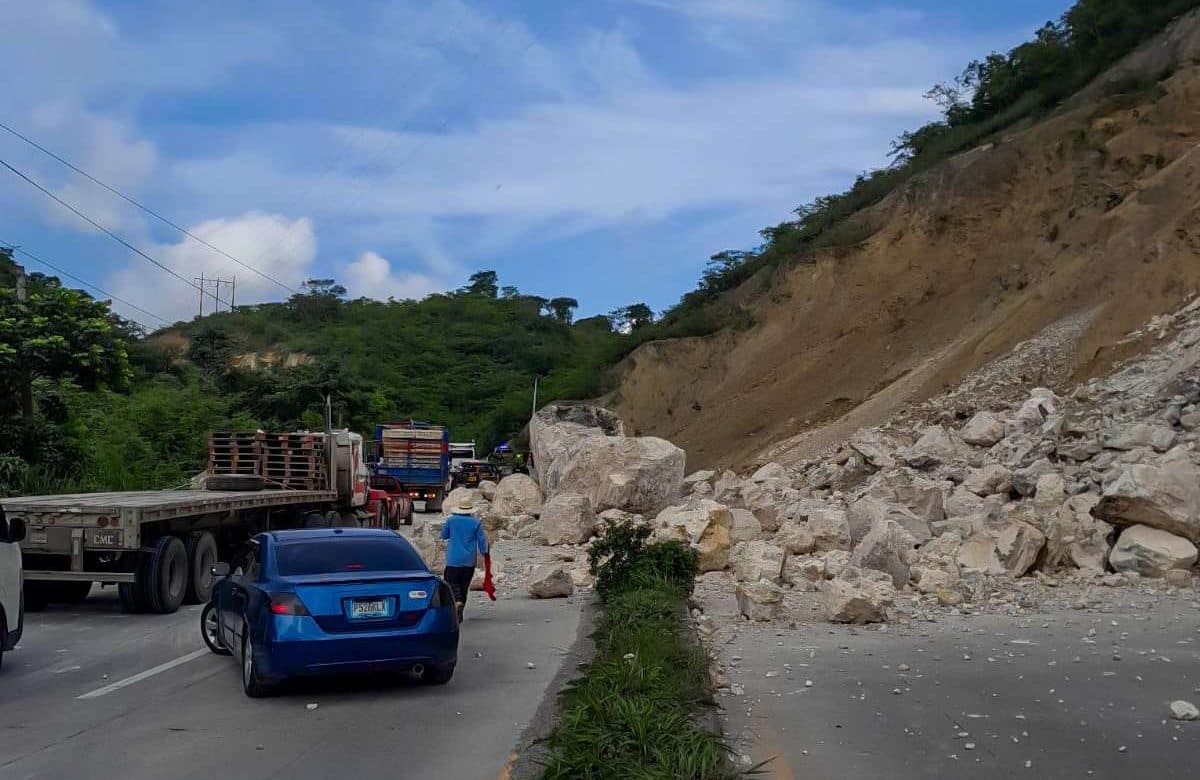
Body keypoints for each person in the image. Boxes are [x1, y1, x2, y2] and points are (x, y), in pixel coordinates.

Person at [439, 496, 490, 620]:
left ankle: (457, 602)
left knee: (451, 582)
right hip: (469, 560)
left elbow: (444, 535)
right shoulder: (476, 522)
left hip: (453, 559)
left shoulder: (451, 521)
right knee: (464, 586)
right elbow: (482, 540)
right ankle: (460, 611)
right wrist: (485, 552)